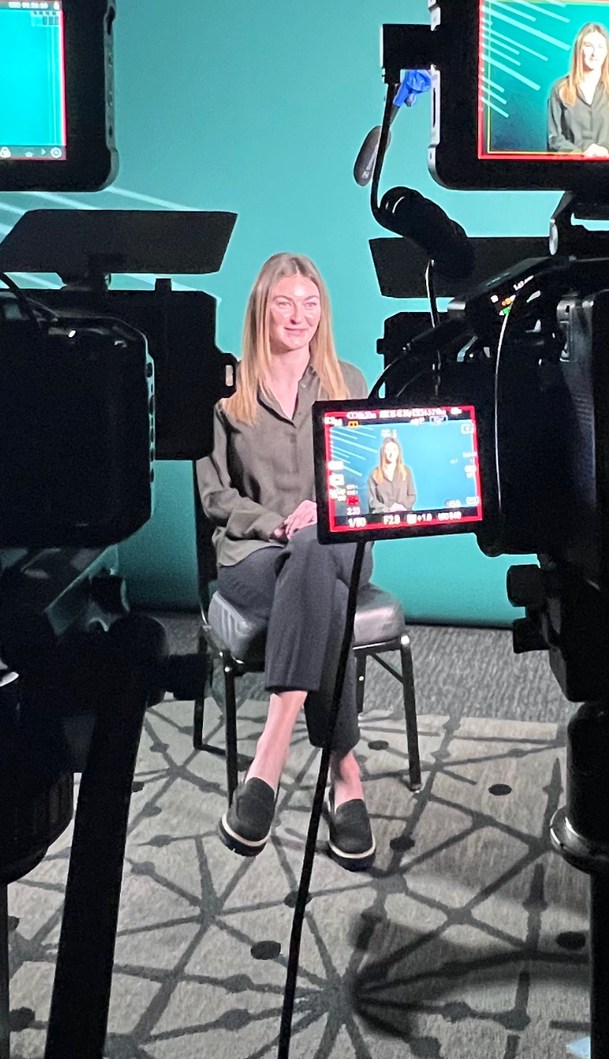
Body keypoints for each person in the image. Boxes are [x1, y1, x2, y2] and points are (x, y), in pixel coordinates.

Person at [196, 253, 378, 868]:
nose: (298, 316)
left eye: (310, 303)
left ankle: (268, 758)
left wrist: (319, 516)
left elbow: (368, 478)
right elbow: (215, 495)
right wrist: (278, 522)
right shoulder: (226, 391)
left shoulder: (347, 378)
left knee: (316, 547)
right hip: (254, 556)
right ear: (261, 310)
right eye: (284, 302)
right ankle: (346, 775)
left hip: (341, 545)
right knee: (316, 584)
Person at [545, 21, 609, 157]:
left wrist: (605, 149)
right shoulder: (559, 88)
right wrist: (579, 155)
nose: (595, 53)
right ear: (579, 50)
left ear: (606, 53)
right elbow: (554, 138)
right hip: (570, 171)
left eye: (600, 47)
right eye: (588, 46)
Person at [365, 433, 415, 515]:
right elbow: (372, 501)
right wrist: (388, 510)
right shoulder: (374, 474)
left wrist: (401, 507)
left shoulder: (406, 471)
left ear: (399, 452)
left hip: (405, 517)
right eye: (388, 450)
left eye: (394, 449)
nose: (391, 453)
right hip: (383, 518)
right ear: (383, 452)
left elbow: (412, 496)